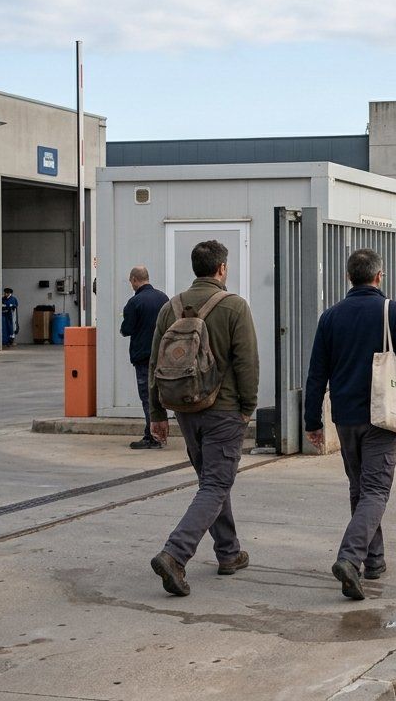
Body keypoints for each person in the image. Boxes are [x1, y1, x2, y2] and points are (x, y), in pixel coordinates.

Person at [305, 248, 396, 600]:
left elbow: (316, 374)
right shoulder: (391, 311)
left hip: (346, 416)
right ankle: (350, 557)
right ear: (378, 276)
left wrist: (313, 420)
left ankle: (374, 560)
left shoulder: (330, 317)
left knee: (360, 487)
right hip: (382, 414)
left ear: (349, 277)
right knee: (376, 490)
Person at [147, 240, 259, 597]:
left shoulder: (170, 307)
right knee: (215, 485)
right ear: (222, 268)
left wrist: (156, 413)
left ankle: (228, 552)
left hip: (185, 410)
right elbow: (247, 362)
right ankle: (175, 554)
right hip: (224, 411)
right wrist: (248, 407)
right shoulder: (234, 306)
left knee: (212, 482)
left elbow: (155, 363)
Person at [120, 266, 168, 449]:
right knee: (160, 396)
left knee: (148, 397)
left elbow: (127, 329)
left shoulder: (135, 302)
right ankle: (161, 434)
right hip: (163, 356)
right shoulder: (163, 298)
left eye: (131, 281)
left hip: (143, 356)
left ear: (134, 279)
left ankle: (152, 437)